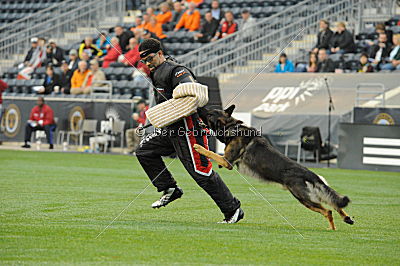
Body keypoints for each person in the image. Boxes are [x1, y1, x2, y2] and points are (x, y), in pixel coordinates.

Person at [136, 38, 243, 223]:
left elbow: (194, 92)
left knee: (200, 172)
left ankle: (233, 210)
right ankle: (170, 188)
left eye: (150, 58)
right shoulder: (155, 73)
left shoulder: (177, 71)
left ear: (160, 53)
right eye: (143, 61)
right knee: (144, 150)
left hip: (188, 129)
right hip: (171, 129)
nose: (147, 63)